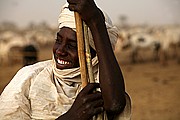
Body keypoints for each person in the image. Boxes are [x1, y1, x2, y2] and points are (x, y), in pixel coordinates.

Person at [0, 0, 131, 119]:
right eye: (58, 40)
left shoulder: (102, 83)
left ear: (94, 55)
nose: (60, 51)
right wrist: (72, 117)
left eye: (72, 46)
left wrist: (95, 21)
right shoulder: (29, 78)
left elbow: (114, 105)